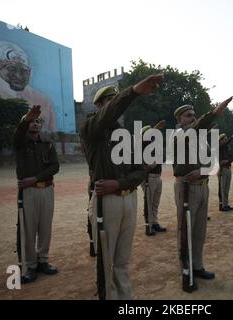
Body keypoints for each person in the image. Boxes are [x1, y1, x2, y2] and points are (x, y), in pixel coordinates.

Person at [80, 74, 164, 300]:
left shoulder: (124, 135)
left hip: (128, 199)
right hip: (107, 203)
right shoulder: (90, 128)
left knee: (123, 260)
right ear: (98, 105)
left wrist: (119, 183)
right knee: (106, 262)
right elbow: (108, 114)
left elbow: (139, 171)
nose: (114, 105)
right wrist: (133, 92)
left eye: (115, 100)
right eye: (109, 100)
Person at [172, 97, 233, 292]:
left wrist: (203, 171)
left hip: (202, 185)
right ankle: (186, 271)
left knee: (199, 230)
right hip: (187, 187)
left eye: (194, 115)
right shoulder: (179, 134)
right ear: (180, 119)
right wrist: (214, 112)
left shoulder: (199, 138)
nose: (192, 117)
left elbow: (212, 163)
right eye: (188, 115)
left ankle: (197, 266)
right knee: (186, 230)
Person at [13, 105, 59, 283]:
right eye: (31, 121)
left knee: (45, 228)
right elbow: (18, 135)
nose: (35, 124)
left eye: (38, 121)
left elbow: (55, 166)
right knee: (28, 229)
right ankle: (29, 265)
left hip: (46, 189)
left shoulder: (47, 144)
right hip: (28, 193)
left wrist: (35, 178)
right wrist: (25, 120)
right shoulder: (20, 143)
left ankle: (43, 261)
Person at [141, 121, 167, 236]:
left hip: (157, 176)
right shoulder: (142, 145)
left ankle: (154, 222)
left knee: (155, 202)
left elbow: (164, 158)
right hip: (148, 177)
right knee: (149, 202)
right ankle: (149, 225)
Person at [218, 133, 233, 212]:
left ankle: (226, 204)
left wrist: (227, 160)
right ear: (221, 140)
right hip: (222, 169)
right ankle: (222, 205)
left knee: (226, 189)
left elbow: (232, 157)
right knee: (222, 188)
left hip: (228, 168)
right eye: (224, 139)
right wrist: (231, 137)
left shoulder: (226, 148)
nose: (226, 140)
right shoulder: (219, 147)